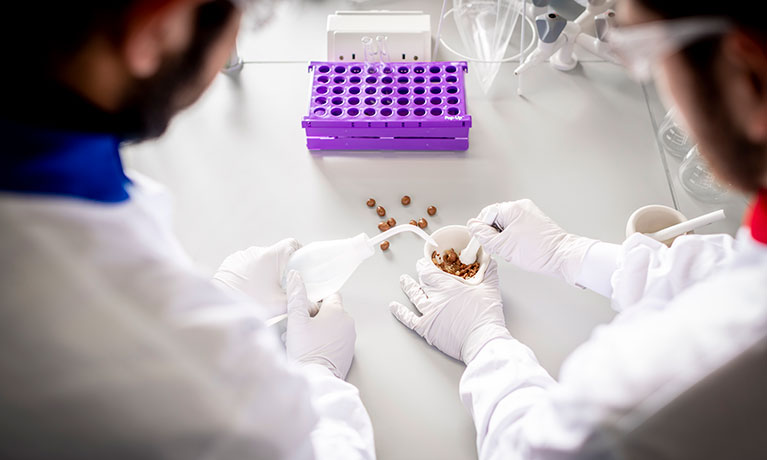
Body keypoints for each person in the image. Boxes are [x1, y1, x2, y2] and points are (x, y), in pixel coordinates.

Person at [389, 0, 767, 458]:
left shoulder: (681, 370)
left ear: (747, 78)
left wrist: (483, 342)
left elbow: (529, 448)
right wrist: (571, 254)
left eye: (650, 54)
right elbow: (730, 274)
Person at [0, 1, 374, 458]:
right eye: (252, 19)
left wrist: (224, 296)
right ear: (156, 28)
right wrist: (318, 375)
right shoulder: (201, 390)